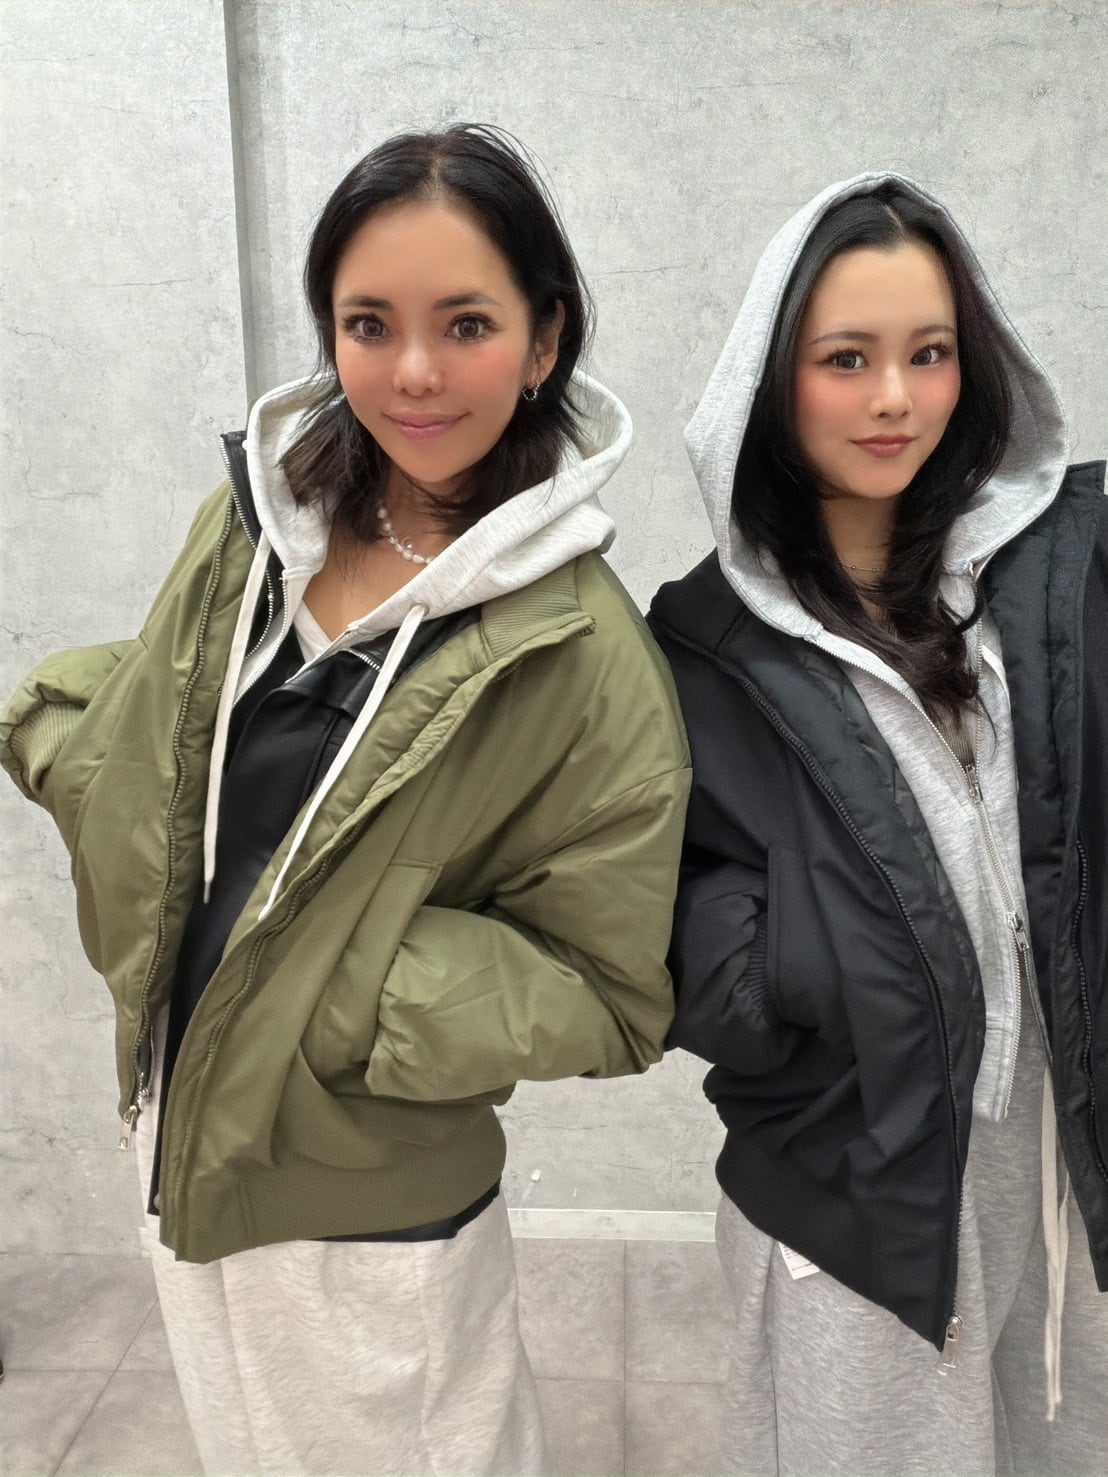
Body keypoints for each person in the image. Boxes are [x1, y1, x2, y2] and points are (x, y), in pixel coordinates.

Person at [1, 124, 690, 1477]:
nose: (414, 371)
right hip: (178, 1128)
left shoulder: (585, 657)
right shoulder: (257, 525)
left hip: (369, 1202)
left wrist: (345, 996)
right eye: (370, 324)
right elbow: (172, 733)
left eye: (467, 323)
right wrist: (62, 750)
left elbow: (615, 993)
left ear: (544, 341)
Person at [649, 173, 1107, 1477]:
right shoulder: (702, 643)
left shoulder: (1054, 572)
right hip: (859, 1180)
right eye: (846, 359)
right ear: (772, 381)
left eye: (930, 353)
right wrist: (803, 968)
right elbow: (659, 913)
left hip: (1057, 1153)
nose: (896, 397)